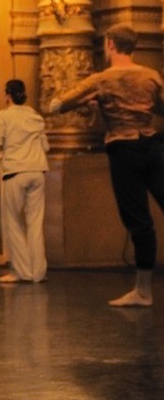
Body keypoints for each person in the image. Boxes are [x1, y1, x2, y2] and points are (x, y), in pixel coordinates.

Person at [49, 23, 164, 306]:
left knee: (139, 221)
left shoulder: (102, 79)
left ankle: (144, 291)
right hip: (152, 146)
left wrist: (88, 99)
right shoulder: (152, 76)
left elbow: (56, 105)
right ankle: (142, 291)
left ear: (110, 44)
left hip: (124, 150)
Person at [0, 78, 49, 284]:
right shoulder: (35, 116)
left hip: (15, 172)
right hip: (38, 171)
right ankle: (38, 272)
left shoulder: (3, 116)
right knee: (35, 224)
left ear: (7, 95)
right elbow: (45, 147)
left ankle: (21, 271)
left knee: (13, 222)